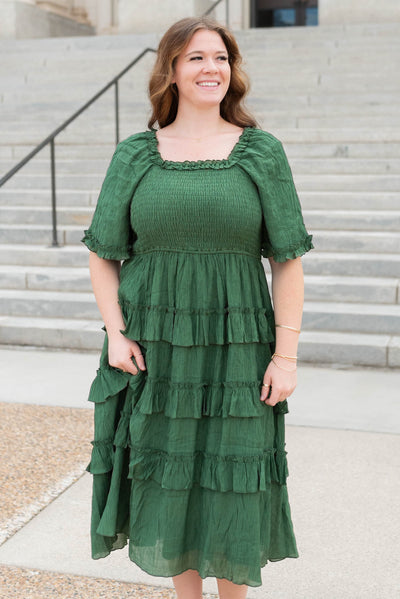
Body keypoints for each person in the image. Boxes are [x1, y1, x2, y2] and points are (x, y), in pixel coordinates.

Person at [81, 15, 313, 599]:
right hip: (152, 347)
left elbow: (288, 260)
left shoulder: (261, 153)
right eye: (196, 58)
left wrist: (285, 357)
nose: (211, 68)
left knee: (232, 482)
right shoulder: (136, 155)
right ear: (172, 71)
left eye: (220, 58)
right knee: (171, 480)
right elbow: (103, 253)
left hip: (239, 349)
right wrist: (115, 332)